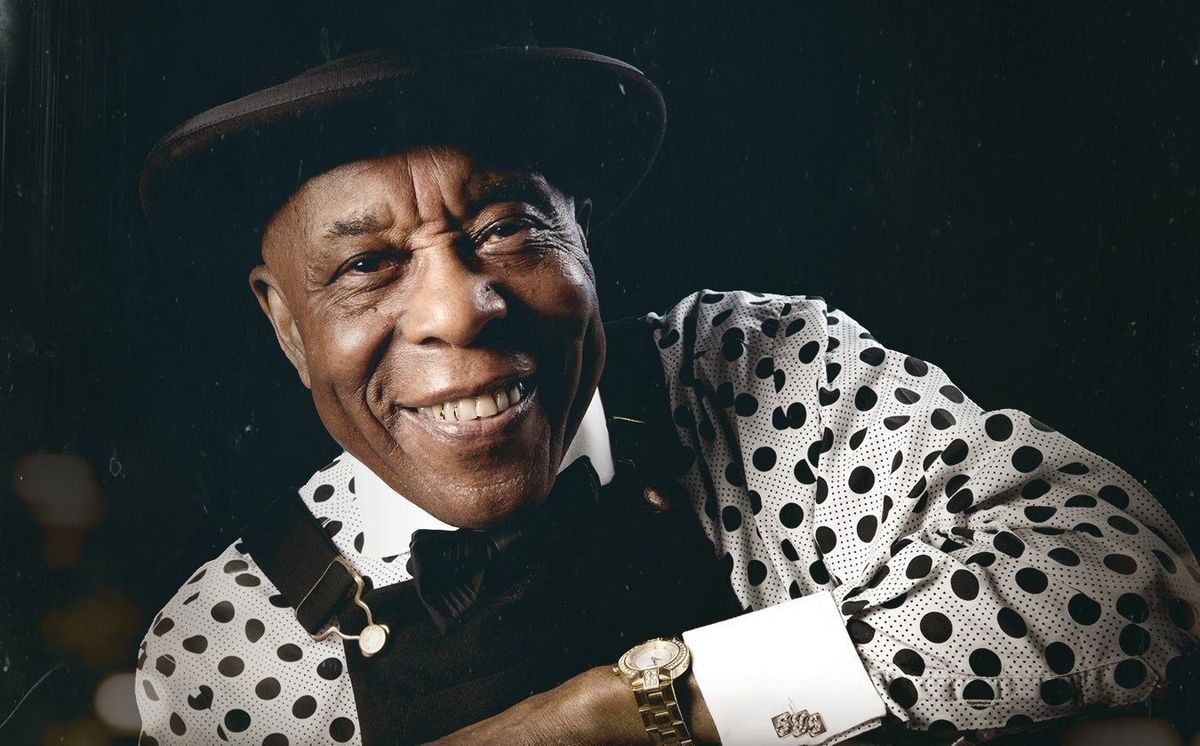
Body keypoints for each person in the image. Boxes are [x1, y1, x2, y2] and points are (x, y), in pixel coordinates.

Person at [133, 34, 1200, 746]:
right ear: (286, 321)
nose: (459, 311)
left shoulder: (758, 370)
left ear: (582, 238)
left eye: (506, 228)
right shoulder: (222, 651)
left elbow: (1125, 576)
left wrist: (630, 710)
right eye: (369, 265)